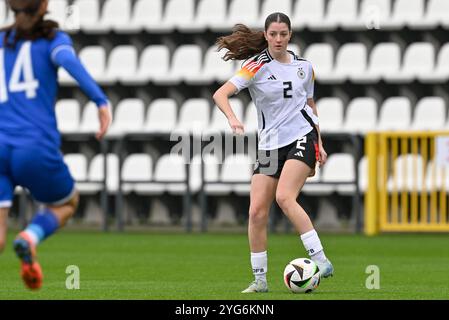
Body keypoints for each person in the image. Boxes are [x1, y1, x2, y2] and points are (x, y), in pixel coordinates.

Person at [213, 12, 334, 293]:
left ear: (290, 35)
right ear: (266, 36)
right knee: (256, 212)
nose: (278, 39)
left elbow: (310, 107)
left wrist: (320, 142)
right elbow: (220, 94)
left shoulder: (305, 67)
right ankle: (260, 280)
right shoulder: (254, 66)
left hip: (301, 137)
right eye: (273, 34)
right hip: (269, 146)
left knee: (284, 196)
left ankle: (321, 259)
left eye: (283, 34)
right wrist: (232, 117)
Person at [0, 0, 111, 290]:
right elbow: (69, 62)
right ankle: (30, 236)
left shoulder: (1, 40)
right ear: (45, 5)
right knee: (67, 202)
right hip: (34, 146)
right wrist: (100, 100)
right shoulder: (53, 39)